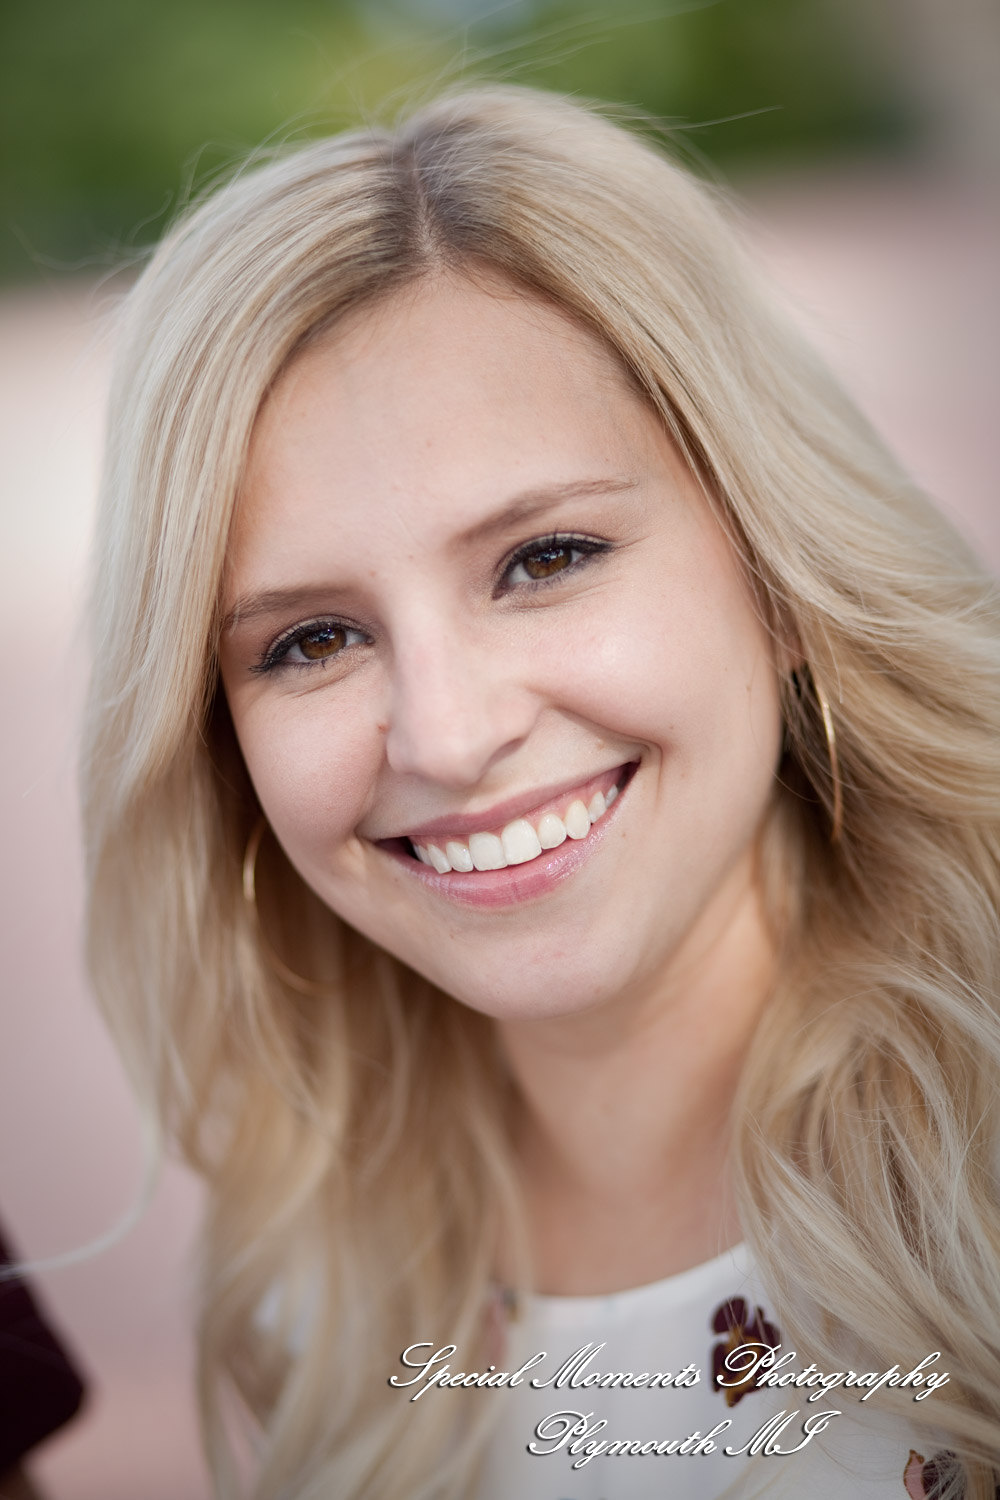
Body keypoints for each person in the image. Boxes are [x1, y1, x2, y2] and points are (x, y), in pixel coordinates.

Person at [80, 85, 1000, 1499]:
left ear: (779, 570)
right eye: (310, 642)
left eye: (545, 558)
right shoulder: (315, 1298)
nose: (444, 737)